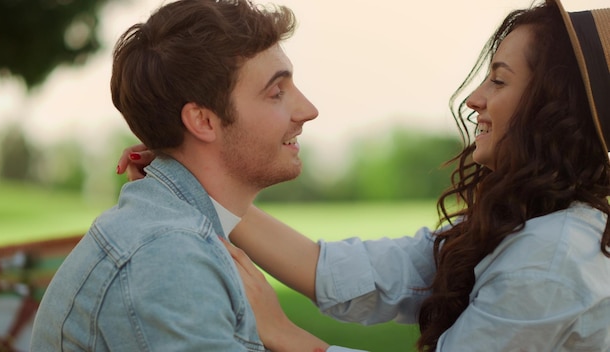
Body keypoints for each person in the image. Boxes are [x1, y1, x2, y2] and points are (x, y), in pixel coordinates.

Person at [118, 0, 610, 350]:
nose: (474, 98)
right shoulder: (530, 226)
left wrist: (285, 333)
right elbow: (336, 271)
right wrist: (197, 168)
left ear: (554, 111)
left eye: (499, 80)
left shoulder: (555, 255)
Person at [30, 0, 323, 351]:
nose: (308, 110)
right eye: (277, 92)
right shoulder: (169, 259)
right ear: (202, 121)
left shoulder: (174, 231)